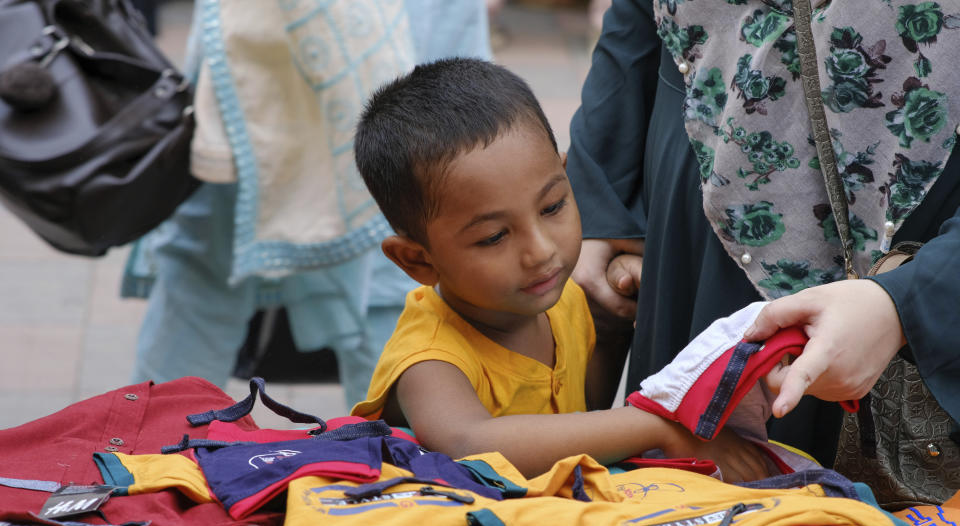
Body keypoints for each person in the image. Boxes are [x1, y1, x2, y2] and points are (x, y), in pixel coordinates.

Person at [567, 0, 960, 467]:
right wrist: (597, 202)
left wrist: (908, 301)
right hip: (693, 199)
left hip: (900, 252)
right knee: (675, 498)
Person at [349, 57, 771, 481]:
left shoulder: (561, 300)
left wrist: (609, 329)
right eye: (494, 236)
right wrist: (657, 425)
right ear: (418, 259)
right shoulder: (429, 357)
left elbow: (582, 418)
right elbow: (471, 445)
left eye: (552, 207)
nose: (540, 250)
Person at [122, 0, 494, 408]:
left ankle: (149, 454)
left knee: (206, 275)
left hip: (268, 51)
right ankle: (401, 458)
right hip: (278, 50)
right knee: (395, 273)